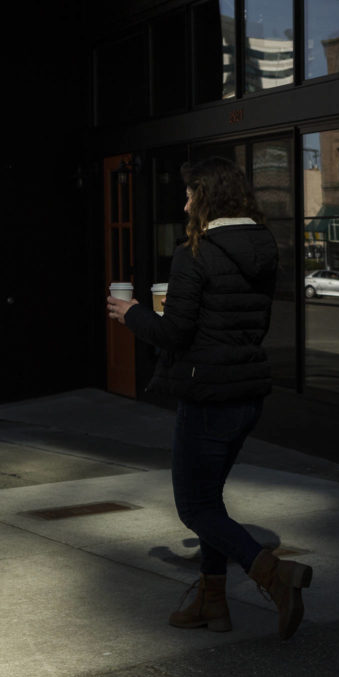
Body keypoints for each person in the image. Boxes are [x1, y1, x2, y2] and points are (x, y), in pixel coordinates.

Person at [107, 156, 312, 640]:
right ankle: (211, 603)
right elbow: (249, 323)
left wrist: (132, 313)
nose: (183, 204)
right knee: (210, 501)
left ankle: (273, 575)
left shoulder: (194, 253)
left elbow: (174, 333)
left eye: (189, 195)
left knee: (194, 509)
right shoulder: (265, 247)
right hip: (245, 393)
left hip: (207, 395)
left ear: (207, 198)